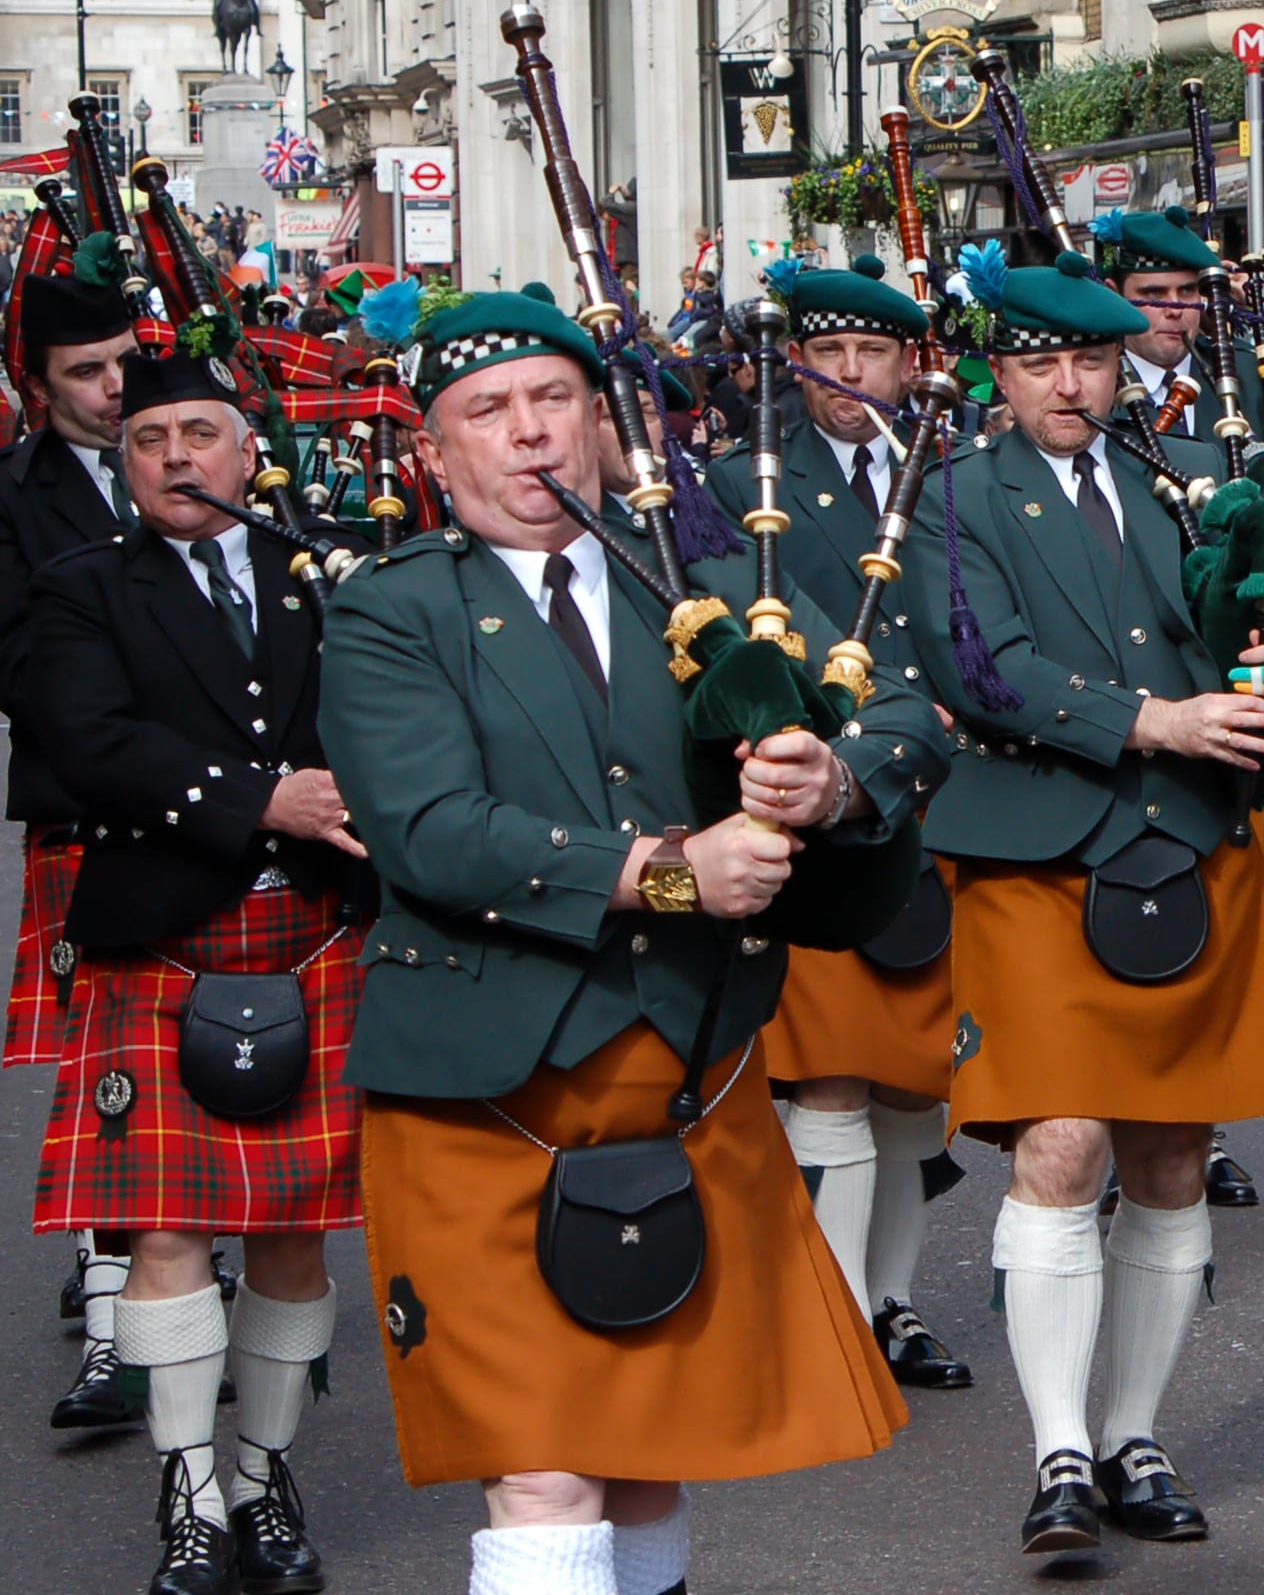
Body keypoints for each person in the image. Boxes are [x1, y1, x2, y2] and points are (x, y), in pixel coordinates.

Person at [319, 292, 950, 1595]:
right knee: (544, 1459)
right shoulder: (394, 612)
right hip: (484, 1079)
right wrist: (670, 873)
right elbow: (432, 832)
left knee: (654, 1447)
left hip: (688, 1065)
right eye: (487, 414)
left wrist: (822, 780)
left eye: (554, 401)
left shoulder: (713, 593)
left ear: (607, 429)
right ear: (439, 457)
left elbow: (900, 711)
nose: (528, 433)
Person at [906, 250, 1264, 1557]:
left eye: (1096, 360)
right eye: (1044, 360)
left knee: (1173, 1154)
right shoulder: (951, 497)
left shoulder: (1175, 487)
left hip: (1184, 847)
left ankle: (1132, 1436)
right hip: (1035, 856)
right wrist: (1154, 717)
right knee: (1065, 1144)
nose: (1072, 383)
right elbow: (981, 667)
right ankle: (1059, 1452)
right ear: (997, 369)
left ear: (1124, 364)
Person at [23, 340, 376, 1595]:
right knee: (169, 1224)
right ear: (124, 462)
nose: (176, 457)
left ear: (246, 450)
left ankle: (264, 1471)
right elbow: (84, 737)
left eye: (200, 435)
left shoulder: (318, 573)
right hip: (166, 933)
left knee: (292, 1232)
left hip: (318, 936)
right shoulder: (80, 586)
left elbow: (391, 712)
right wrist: (261, 796)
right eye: (149, 441)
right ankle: (190, 1489)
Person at [702, 257, 972, 1392]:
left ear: (908, 363)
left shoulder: (957, 475)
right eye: (826, 353)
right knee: (831, 1075)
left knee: (916, 1078)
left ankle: (892, 1296)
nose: (846, 374)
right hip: (824, 797)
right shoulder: (740, 480)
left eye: (870, 353)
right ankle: (841, 1306)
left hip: (951, 789)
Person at [0, 251, 143, 1433]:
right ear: (38, 385)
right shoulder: (13, 494)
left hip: (222, 814)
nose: (111, 389)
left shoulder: (204, 461)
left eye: (121, 362)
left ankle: (175, 1282)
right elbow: (20, 666)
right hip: (87, 807)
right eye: (82, 371)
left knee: (216, 1052)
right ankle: (114, 1324)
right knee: (105, 1071)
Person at [1107, 208, 1219, 439]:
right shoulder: (1094, 385)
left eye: (1187, 291)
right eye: (1154, 294)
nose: (1174, 310)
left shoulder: (1248, 373)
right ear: (1114, 297)